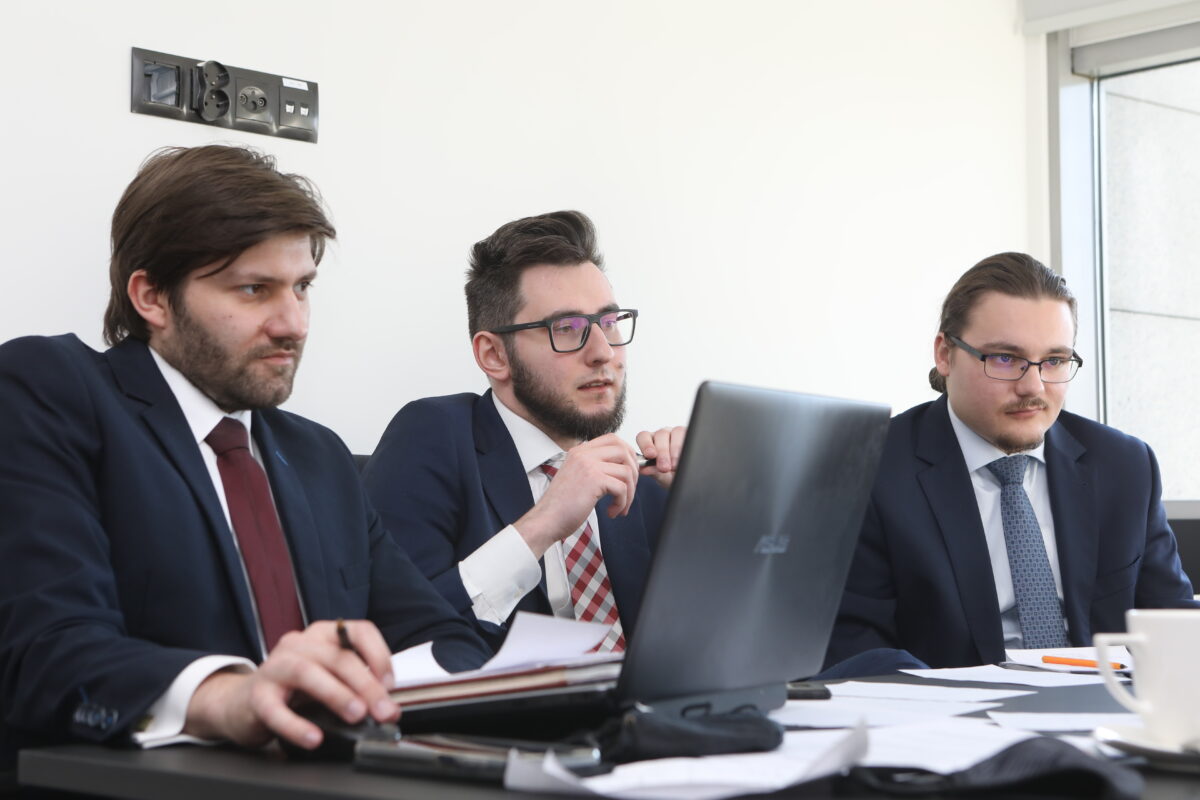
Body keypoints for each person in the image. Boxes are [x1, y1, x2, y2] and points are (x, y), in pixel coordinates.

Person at [0, 145, 491, 778]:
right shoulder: (52, 392)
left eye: (302, 288)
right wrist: (231, 697)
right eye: (255, 289)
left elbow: (446, 642)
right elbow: (46, 650)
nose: (294, 324)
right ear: (152, 297)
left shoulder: (320, 458)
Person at [826, 252, 1198, 670]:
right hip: (951, 706)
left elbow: (1175, 624)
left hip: (1103, 700)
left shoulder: (1125, 466)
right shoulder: (869, 468)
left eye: (1054, 361)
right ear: (945, 354)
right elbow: (855, 649)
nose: (1033, 386)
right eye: (1005, 358)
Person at [362, 211, 680, 652]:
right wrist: (544, 523)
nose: (603, 352)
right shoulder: (434, 437)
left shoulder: (643, 479)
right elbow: (394, 635)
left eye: (609, 322)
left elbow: (717, 643)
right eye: (566, 328)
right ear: (494, 355)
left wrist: (715, 511)